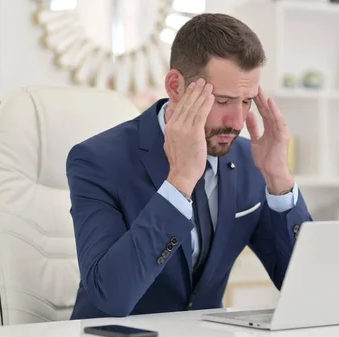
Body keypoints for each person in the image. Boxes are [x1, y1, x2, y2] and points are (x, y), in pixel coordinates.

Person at [66, 13, 313, 319]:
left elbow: (307, 288)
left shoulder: (251, 162)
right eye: (222, 101)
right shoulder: (98, 161)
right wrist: (180, 181)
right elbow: (111, 297)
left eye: (247, 101)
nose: (237, 122)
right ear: (176, 86)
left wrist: (279, 179)